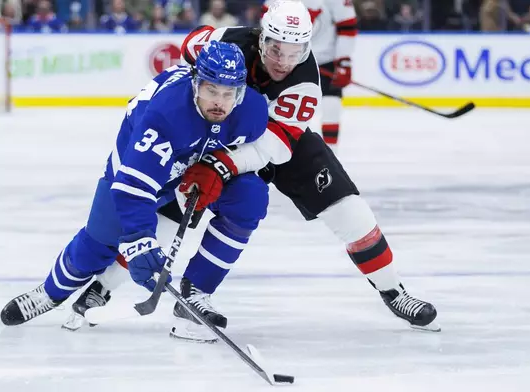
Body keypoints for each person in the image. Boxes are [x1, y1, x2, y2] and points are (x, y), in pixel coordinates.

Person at [78, 0, 439, 342]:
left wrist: (220, 166)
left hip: (271, 138)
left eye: (294, 52)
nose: (284, 61)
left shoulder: (304, 82)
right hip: (212, 131)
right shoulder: (230, 39)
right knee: (176, 213)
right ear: (261, 37)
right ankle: (104, 286)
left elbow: (275, 147)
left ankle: (393, 290)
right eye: (276, 48)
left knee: (349, 210)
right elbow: (191, 46)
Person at [0, 41, 270, 331]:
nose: (219, 102)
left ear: (240, 93)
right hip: (131, 169)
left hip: (186, 171)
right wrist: (139, 240)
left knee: (250, 195)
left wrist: (217, 165)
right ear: (195, 84)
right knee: (99, 244)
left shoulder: (250, 111)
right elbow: (133, 188)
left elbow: (261, 151)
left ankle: (185, 291)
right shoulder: (166, 115)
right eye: (210, 90)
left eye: (228, 93)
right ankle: (51, 293)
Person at [301, 0, 357, 146]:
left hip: (327, 60)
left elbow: (347, 27)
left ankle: (331, 154)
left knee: (331, 105)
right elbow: (267, 24)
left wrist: (343, 62)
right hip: (294, 60)